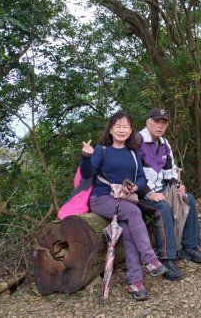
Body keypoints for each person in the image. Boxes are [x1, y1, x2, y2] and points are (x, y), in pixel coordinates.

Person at [80, 111, 166, 300]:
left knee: (128, 232)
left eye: (125, 126)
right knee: (134, 212)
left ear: (130, 130)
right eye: (117, 126)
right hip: (101, 199)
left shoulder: (133, 152)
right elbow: (87, 174)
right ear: (110, 129)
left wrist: (136, 186)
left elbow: (142, 178)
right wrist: (86, 157)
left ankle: (135, 282)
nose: (121, 130)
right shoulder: (101, 150)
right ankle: (150, 259)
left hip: (123, 200)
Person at [137, 108, 201, 281]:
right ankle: (166, 258)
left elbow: (169, 171)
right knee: (162, 207)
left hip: (160, 190)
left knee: (188, 198)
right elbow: (131, 173)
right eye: (157, 122)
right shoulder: (136, 141)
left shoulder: (164, 144)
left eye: (164, 123)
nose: (160, 126)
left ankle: (189, 247)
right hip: (139, 195)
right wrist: (148, 194)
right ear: (148, 122)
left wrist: (177, 186)